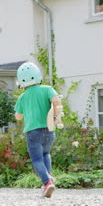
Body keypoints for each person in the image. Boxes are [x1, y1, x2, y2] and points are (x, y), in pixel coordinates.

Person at [14, 62, 62, 198]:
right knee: (46, 153)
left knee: (36, 159)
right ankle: (49, 175)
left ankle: (47, 183)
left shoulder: (22, 97)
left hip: (33, 132)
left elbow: (18, 117)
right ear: (38, 76)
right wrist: (56, 115)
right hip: (49, 130)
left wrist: (23, 111)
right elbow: (56, 101)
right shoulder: (47, 89)